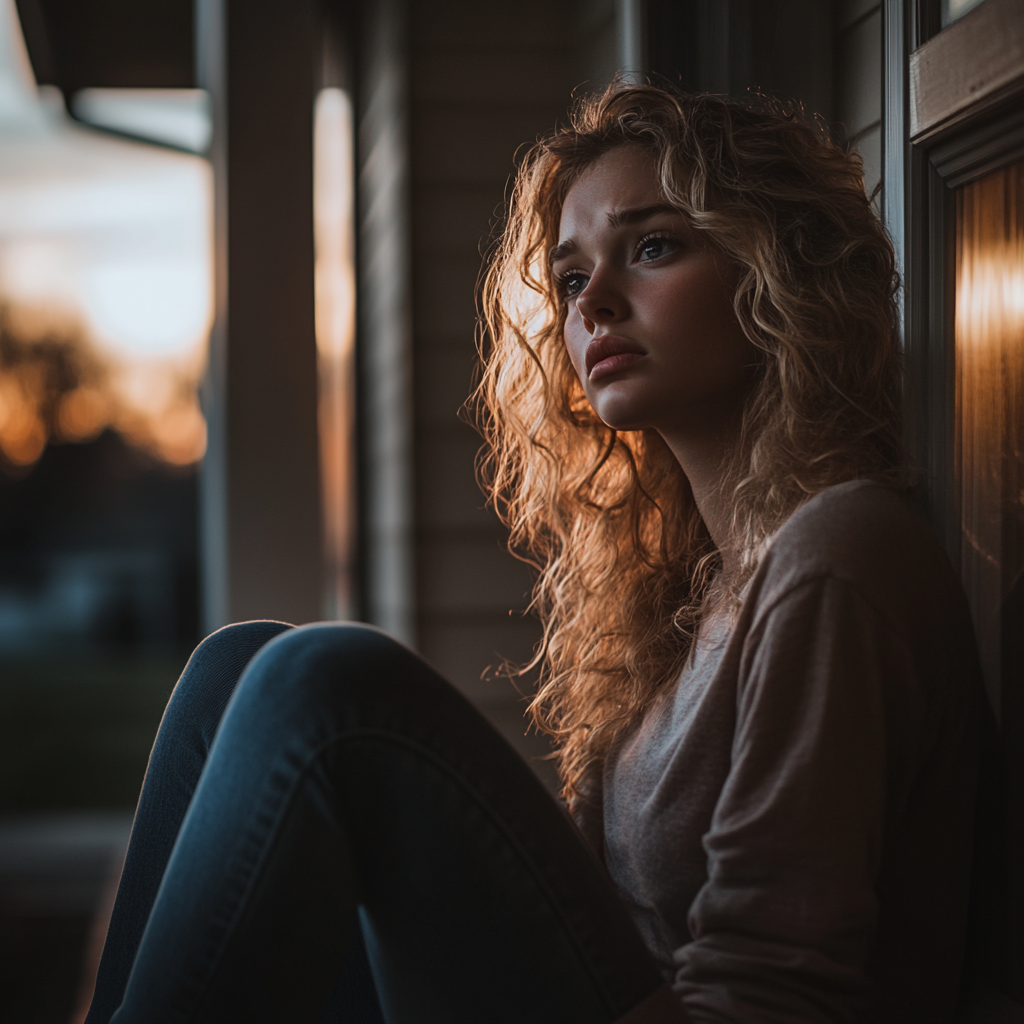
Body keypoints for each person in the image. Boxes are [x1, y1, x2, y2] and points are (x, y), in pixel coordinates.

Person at [84, 86, 985, 1024]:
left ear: (775, 270)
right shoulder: (687, 599)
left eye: (653, 246)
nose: (593, 302)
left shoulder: (842, 555)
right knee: (237, 667)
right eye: (566, 279)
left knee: (325, 690)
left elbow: (768, 994)